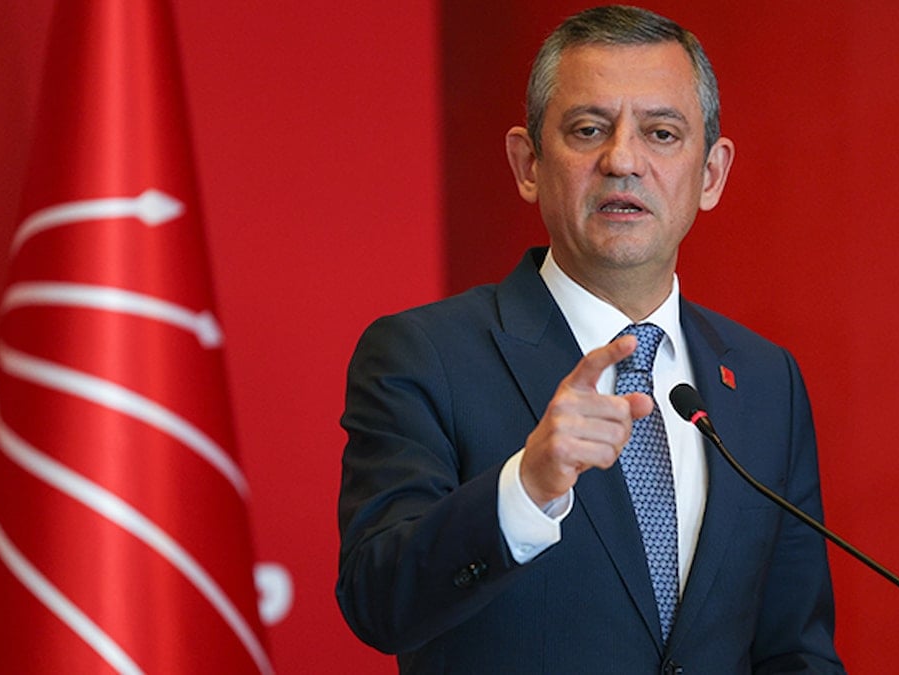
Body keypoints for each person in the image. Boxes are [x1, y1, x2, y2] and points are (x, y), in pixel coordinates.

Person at [336, 6, 844, 673]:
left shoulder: (765, 380)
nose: (623, 160)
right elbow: (377, 601)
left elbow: (795, 648)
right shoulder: (424, 356)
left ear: (711, 174)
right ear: (528, 163)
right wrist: (526, 486)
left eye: (661, 133)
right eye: (588, 129)